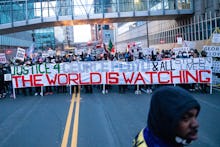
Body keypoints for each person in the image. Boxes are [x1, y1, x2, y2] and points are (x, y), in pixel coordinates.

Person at [133, 86, 201, 147]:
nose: (195, 124)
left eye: (195, 116)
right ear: (165, 119)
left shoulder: (150, 133)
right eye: (185, 118)